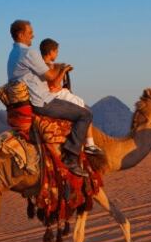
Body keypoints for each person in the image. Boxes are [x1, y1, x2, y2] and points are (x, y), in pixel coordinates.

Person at [7, 19, 101, 177]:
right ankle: (71, 157)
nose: (33, 35)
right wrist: (62, 68)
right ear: (21, 34)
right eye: (30, 33)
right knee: (85, 114)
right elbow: (51, 76)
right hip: (41, 101)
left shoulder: (13, 54)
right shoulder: (28, 53)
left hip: (29, 100)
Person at [40, 38, 96, 150]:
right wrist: (63, 71)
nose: (57, 54)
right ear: (51, 52)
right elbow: (54, 84)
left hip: (55, 93)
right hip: (55, 95)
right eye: (56, 51)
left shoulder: (43, 65)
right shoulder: (46, 67)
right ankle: (89, 143)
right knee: (85, 110)